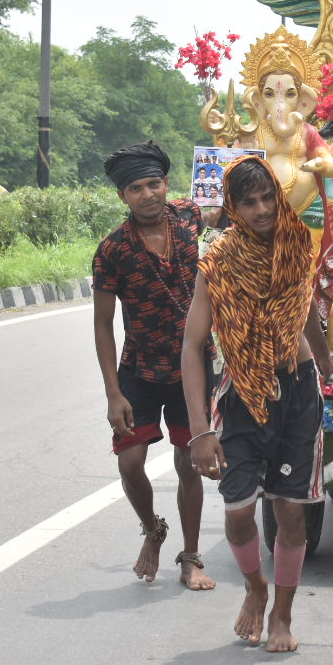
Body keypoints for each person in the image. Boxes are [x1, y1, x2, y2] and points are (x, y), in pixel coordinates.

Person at [181, 156, 333, 650]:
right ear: (233, 205)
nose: (262, 209)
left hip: (297, 389)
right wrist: (201, 431)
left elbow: (303, 303)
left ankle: (283, 618)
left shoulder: (294, 244)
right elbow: (192, 346)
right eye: (248, 201)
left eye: (268, 197)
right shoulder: (219, 259)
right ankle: (255, 587)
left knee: (291, 516)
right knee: (240, 511)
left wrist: (327, 359)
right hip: (243, 391)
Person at [91, 140, 216, 591]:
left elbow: (224, 203)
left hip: (191, 370)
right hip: (139, 371)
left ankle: (190, 557)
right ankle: (153, 529)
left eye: (154, 183)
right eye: (136, 188)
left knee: (190, 465)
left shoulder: (189, 217)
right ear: (123, 196)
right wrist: (113, 393)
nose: (148, 194)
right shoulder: (112, 250)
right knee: (129, 464)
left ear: (166, 184)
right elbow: (104, 326)